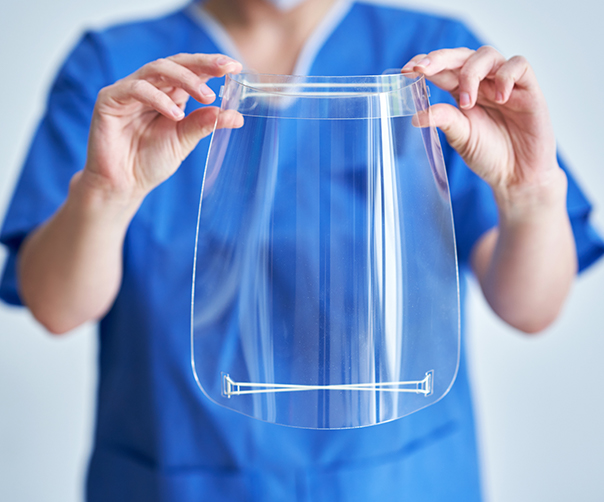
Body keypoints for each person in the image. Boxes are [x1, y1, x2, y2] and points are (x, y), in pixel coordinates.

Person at [1, 0, 602, 500]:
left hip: (397, 481)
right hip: (178, 476)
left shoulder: (436, 60)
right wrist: (107, 193)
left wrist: (530, 193)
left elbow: (530, 307)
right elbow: (58, 307)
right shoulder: (118, 69)